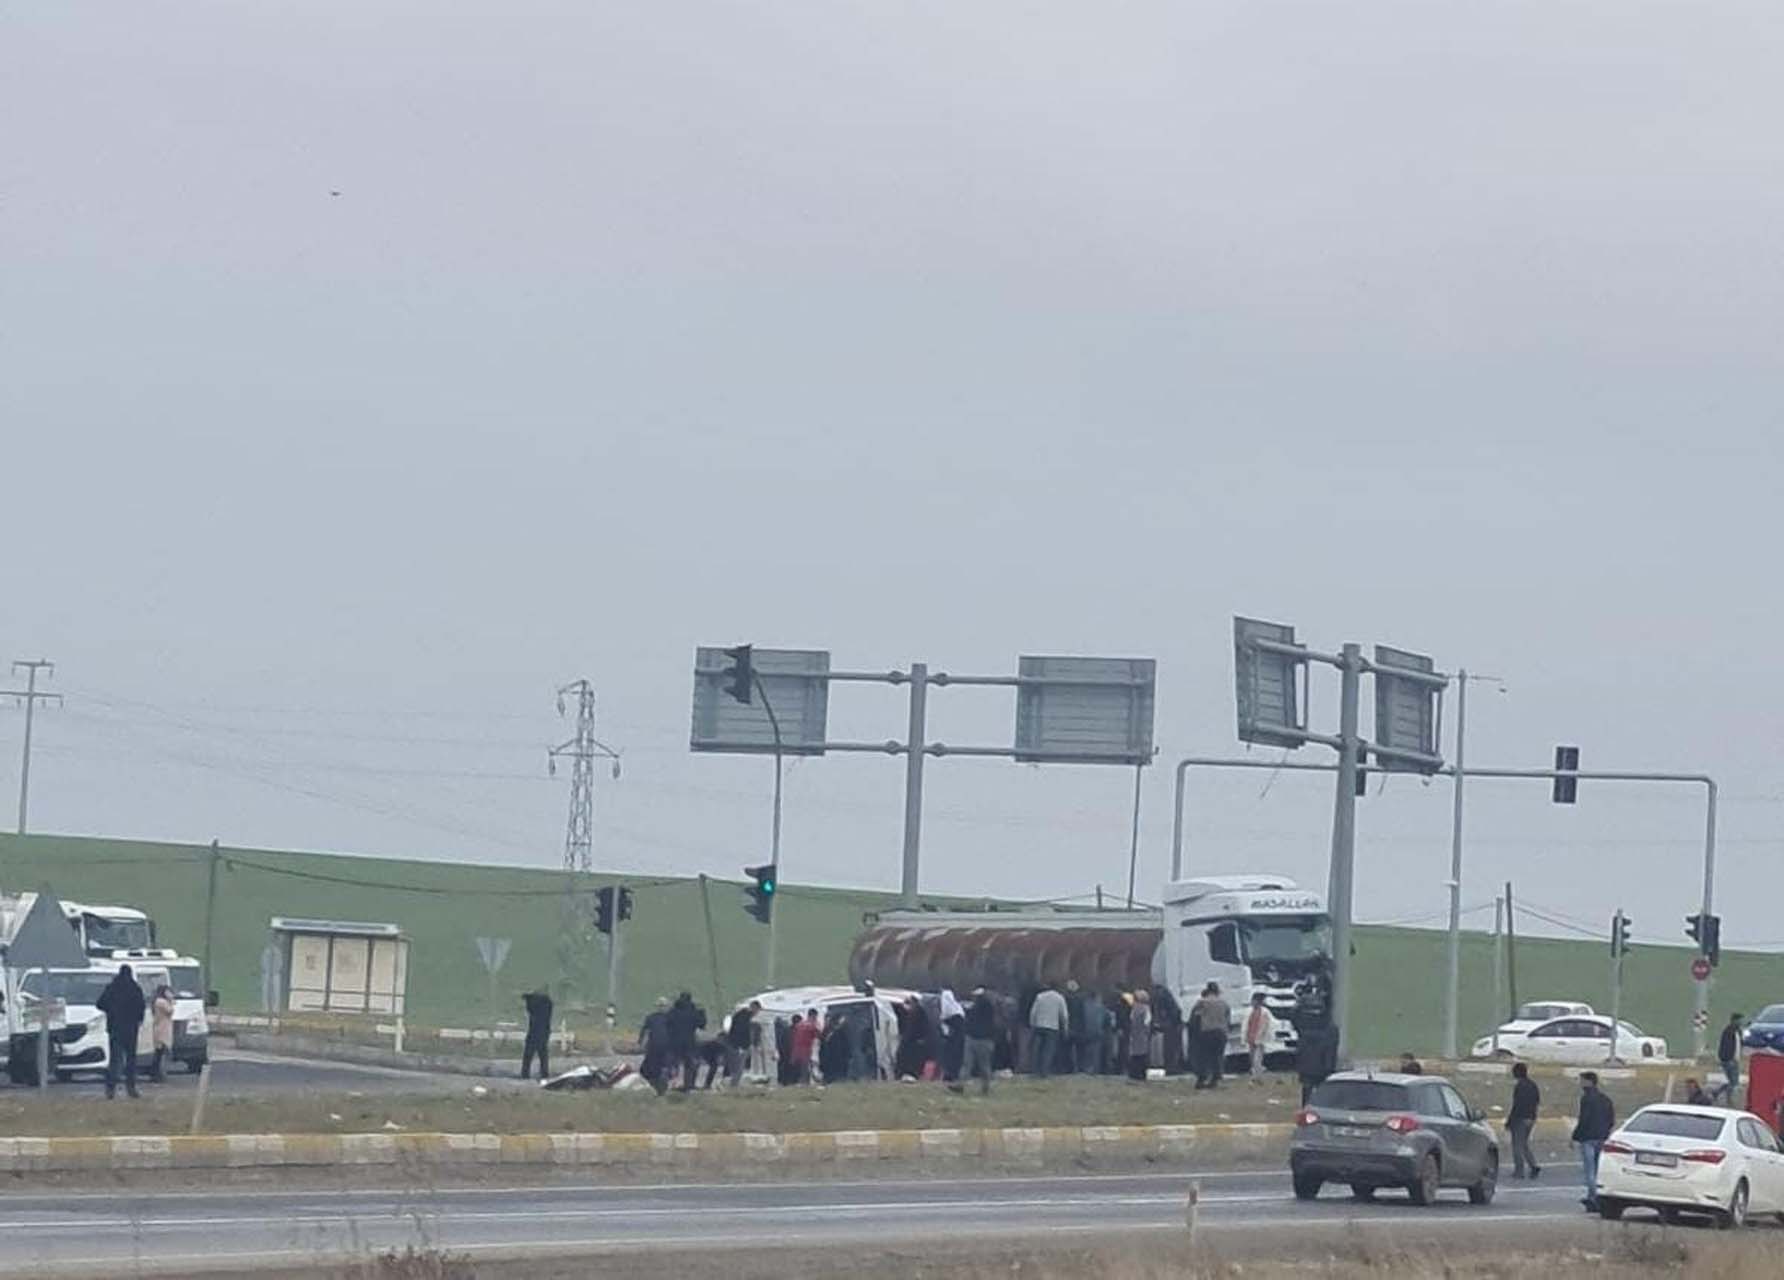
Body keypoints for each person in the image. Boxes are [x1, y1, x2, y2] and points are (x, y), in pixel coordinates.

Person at [96, 965, 146, 1100]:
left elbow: (100, 1003)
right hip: (131, 1029)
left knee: (115, 1059)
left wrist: (111, 1010)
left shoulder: (112, 988)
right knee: (131, 1059)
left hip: (115, 1028)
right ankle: (131, 1088)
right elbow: (141, 1007)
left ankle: (110, 1088)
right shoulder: (135, 989)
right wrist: (138, 1019)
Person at [1572, 1070, 1616, 1213]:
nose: (1580, 1083)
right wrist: (1606, 1131)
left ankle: (1593, 1197)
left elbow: (1583, 1119)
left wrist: (1575, 1136)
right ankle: (1597, 1195)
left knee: (1589, 1169)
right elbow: (1611, 1119)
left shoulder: (1587, 1099)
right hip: (1601, 1136)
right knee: (1597, 1168)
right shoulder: (1605, 1099)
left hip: (1588, 1137)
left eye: (1582, 1080)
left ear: (1589, 1082)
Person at [952, 987, 999, 1095]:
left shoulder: (979, 1008)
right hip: (983, 1040)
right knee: (983, 1066)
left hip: (976, 1039)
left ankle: (962, 1085)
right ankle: (984, 1087)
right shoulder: (990, 1008)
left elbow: (969, 1021)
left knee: (970, 1064)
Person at [1188, 983, 1231, 1089]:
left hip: (1206, 1032)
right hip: (1221, 1033)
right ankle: (1215, 1079)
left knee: (1203, 1057)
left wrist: (1193, 1033)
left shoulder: (1202, 1003)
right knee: (1217, 1056)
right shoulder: (1224, 1003)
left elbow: (1195, 1018)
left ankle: (1202, 1079)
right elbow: (1227, 1019)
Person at [1506, 1062, 1542, 1180]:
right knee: (1524, 1144)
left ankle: (1519, 1171)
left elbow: (1517, 1105)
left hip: (1520, 1119)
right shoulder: (1533, 1085)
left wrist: (1510, 1121)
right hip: (1531, 1118)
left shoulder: (1519, 1086)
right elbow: (1537, 1101)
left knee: (1517, 1146)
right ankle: (1533, 1165)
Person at [666, 991, 706, 1093]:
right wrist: (702, 1012)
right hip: (689, 1043)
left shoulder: (673, 1011)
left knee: (673, 1064)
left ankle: (671, 1084)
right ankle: (688, 1086)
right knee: (690, 1065)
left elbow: (666, 1024)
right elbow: (702, 1025)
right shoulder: (693, 1012)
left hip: (674, 1042)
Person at [1028, 982, 1068, 1078]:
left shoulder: (1040, 996)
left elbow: (1033, 1012)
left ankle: (1035, 1071)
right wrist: (1065, 1028)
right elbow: (1064, 1015)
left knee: (1037, 1049)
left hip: (1039, 1026)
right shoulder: (1059, 998)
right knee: (1048, 1050)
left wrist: (1032, 1024)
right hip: (1052, 1027)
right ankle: (1044, 1071)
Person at [1296, 1020, 1338, 1105]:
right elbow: (1330, 1051)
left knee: (1307, 1091)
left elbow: (1300, 1050)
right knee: (1322, 1091)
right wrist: (1330, 1068)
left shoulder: (1305, 1027)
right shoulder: (1331, 1030)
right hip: (1322, 1068)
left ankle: (1306, 1106)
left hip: (1306, 1067)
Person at [637, 996, 672, 1095]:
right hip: (659, 1046)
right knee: (658, 1067)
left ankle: (658, 1087)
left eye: (663, 1006)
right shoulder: (667, 1018)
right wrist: (640, 1042)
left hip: (658, 1046)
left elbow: (644, 1031)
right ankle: (659, 1087)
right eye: (661, 1006)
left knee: (656, 1068)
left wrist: (640, 1042)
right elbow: (644, 1031)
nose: (662, 1008)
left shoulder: (653, 1017)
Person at [520, 988, 553, 1081]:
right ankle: (544, 1073)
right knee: (542, 1053)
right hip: (543, 1031)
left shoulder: (536, 1007)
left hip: (535, 1032)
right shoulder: (546, 1005)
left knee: (529, 1054)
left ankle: (525, 1074)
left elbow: (531, 1012)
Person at [1243, 993, 1275, 1084]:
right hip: (1250, 1037)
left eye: (1254, 1001)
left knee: (1257, 1059)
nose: (1253, 1002)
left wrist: (1263, 1037)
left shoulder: (1265, 1012)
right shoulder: (1249, 1011)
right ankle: (1256, 1075)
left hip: (1260, 1038)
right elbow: (1246, 1024)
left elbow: (1266, 1026)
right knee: (1252, 1059)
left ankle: (1256, 1077)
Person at [1713, 1013, 1744, 1104]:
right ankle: (1726, 1098)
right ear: (1733, 1020)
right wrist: (1727, 1059)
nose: (1741, 1022)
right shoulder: (1728, 1031)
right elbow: (1725, 1046)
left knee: (1733, 1082)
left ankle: (1718, 1093)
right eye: (1739, 1020)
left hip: (1735, 1059)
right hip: (1729, 1060)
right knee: (1732, 1081)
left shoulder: (1738, 1031)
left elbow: (1740, 1044)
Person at [1075, 987, 1106, 1075]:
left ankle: (1084, 1068)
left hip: (1086, 1030)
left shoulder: (1084, 1005)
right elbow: (1104, 1019)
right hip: (1097, 1030)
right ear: (1096, 997)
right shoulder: (1100, 1006)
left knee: (1086, 1051)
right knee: (1095, 1051)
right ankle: (1094, 1069)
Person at [724, 1002, 756, 1086]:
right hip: (739, 1045)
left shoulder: (740, 1015)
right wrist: (745, 1045)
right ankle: (734, 1084)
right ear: (754, 1008)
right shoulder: (745, 1018)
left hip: (733, 1043)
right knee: (739, 1067)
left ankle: (733, 1083)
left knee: (735, 1066)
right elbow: (742, 1032)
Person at [938, 989, 967, 1082]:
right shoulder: (958, 1009)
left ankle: (952, 1075)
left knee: (953, 1057)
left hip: (955, 1039)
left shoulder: (955, 1013)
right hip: (954, 1038)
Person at [1126, 990, 1153, 1082]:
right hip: (1142, 1035)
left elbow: (1131, 1020)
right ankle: (1141, 1074)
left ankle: (1134, 1074)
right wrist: (1147, 1032)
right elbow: (1147, 1022)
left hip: (1134, 1034)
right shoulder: (1146, 1009)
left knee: (1134, 1054)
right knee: (1142, 1054)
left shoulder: (1134, 1009)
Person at [790, 1009, 821, 1085]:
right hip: (806, 1049)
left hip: (797, 1049)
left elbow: (793, 1037)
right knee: (807, 1067)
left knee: (801, 1067)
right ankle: (806, 1082)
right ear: (813, 1016)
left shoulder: (799, 1025)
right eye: (815, 1017)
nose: (816, 1019)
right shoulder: (812, 1025)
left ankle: (801, 1081)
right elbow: (818, 1035)